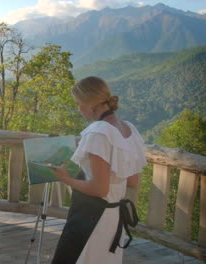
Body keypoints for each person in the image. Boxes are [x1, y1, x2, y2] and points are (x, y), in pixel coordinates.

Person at [50, 76, 147, 264]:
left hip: (92, 218)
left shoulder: (98, 132)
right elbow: (133, 182)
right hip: (113, 217)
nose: (78, 109)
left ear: (92, 104)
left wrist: (65, 178)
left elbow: (99, 189)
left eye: (79, 104)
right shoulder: (128, 129)